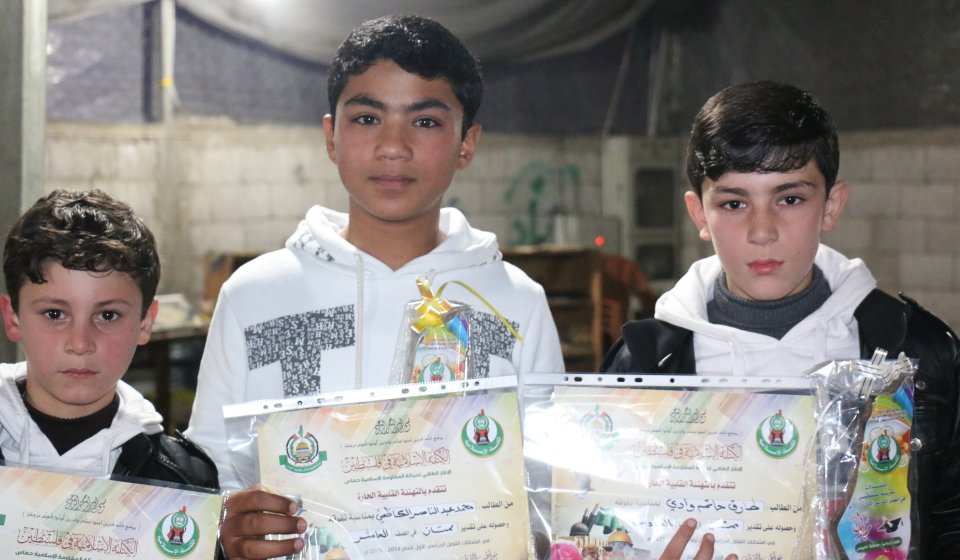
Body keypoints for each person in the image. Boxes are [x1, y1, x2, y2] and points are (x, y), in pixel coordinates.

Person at [189, 14, 732, 560]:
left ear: (467, 144)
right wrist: (224, 531)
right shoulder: (253, 296)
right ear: (331, 137)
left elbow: (547, 494)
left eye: (425, 121)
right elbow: (208, 475)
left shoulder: (516, 303)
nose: (393, 146)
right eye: (367, 118)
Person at [601, 80, 960, 557]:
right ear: (699, 214)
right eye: (734, 203)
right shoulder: (643, 367)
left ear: (831, 205)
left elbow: (950, 523)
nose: (762, 231)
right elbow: (611, 526)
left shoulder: (916, 352)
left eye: (789, 199)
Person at [0, 189, 218, 488]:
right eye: (54, 314)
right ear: (13, 318)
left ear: (145, 322)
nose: (80, 344)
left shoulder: (181, 485)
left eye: (107, 315)